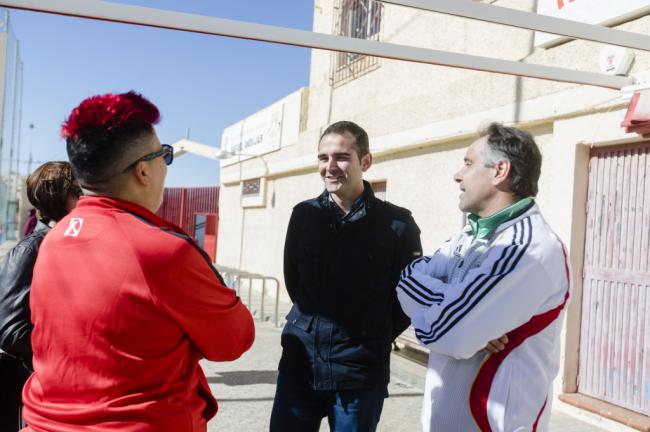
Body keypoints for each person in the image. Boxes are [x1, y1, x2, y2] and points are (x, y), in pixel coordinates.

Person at [21, 91, 255, 432]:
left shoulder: (53, 241)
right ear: (143, 170)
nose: (165, 166)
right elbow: (235, 340)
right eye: (165, 155)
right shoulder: (162, 250)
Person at [397, 123, 570, 432]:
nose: (457, 175)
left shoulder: (527, 246)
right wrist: (464, 311)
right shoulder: (467, 235)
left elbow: (443, 331)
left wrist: (459, 317)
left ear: (500, 170)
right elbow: (406, 280)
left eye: (468, 163)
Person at [270, 121, 422, 431]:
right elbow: (295, 282)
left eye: (341, 157)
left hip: (360, 372)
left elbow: (407, 298)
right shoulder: (304, 215)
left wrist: (370, 334)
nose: (330, 167)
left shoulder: (397, 224)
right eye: (323, 158)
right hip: (301, 366)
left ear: (365, 162)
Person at [0, 161, 81, 432]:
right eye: (79, 193)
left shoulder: (73, 244)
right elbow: (10, 329)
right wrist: (62, 358)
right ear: (62, 197)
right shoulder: (30, 250)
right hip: (29, 386)